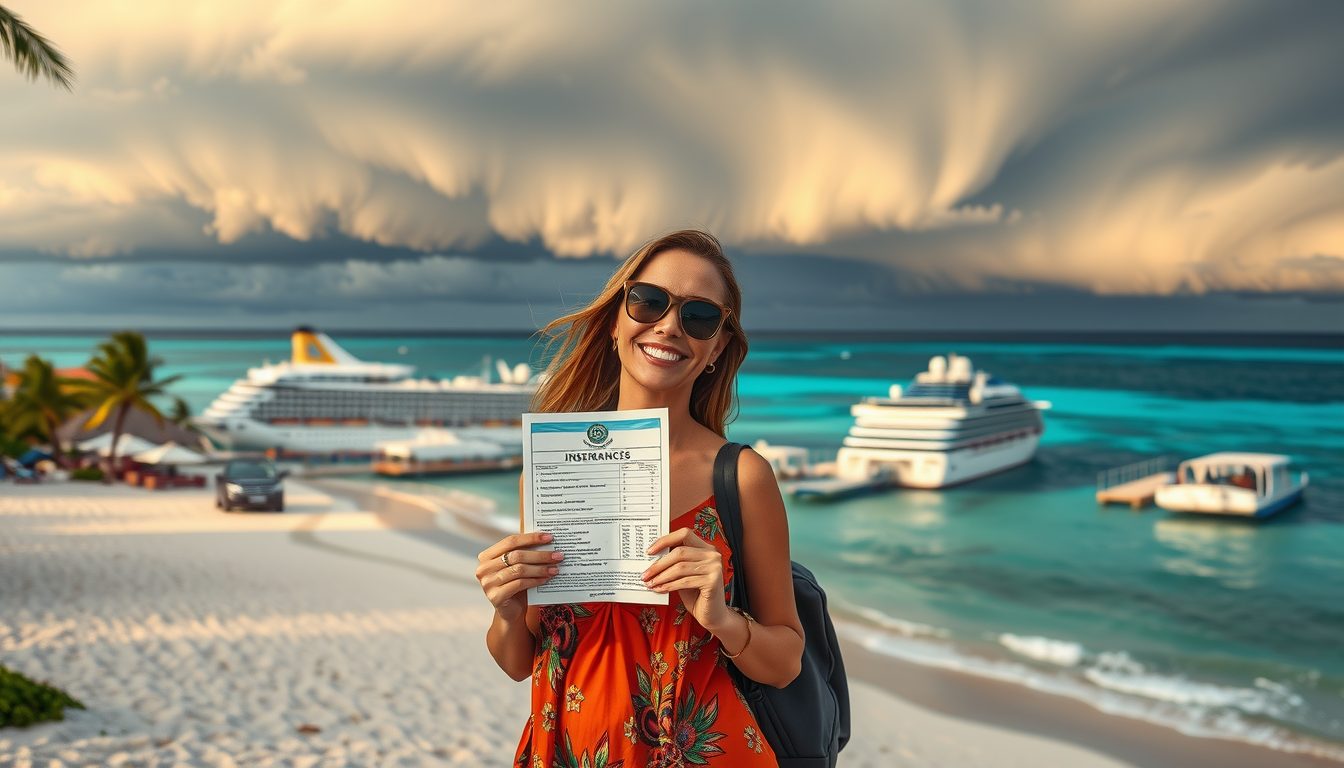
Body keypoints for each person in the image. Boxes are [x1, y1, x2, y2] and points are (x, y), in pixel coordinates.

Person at [475, 229, 804, 767]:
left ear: (717, 346)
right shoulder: (551, 468)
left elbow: (787, 660)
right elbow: (518, 663)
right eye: (649, 301)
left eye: (699, 316)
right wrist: (509, 609)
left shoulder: (742, 476)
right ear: (615, 321)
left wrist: (719, 617)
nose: (669, 326)